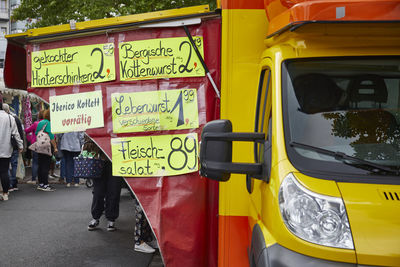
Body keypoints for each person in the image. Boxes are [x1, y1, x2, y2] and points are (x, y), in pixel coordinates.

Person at [86, 140, 122, 231]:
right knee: (98, 192)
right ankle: (96, 217)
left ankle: (111, 219)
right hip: (100, 159)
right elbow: (88, 138)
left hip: (117, 158)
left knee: (114, 191)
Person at [0, 100, 23, 200]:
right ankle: (5, 193)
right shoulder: (10, 118)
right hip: (5, 149)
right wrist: (20, 145)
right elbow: (16, 133)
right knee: (4, 171)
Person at [35, 109, 58, 192]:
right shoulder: (49, 123)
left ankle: (41, 183)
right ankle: (45, 184)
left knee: (41, 164)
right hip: (47, 146)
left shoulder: (40, 122)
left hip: (40, 146)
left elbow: (36, 133)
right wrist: (55, 147)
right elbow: (51, 136)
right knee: (46, 165)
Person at [24, 110, 44, 184]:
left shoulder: (35, 124)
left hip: (35, 144)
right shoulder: (47, 123)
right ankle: (42, 179)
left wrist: (30, 138)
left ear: (38, 116)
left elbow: (27, 131)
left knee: (35, 162)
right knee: (43, 162)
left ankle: (33, 180)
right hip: (44, 145)